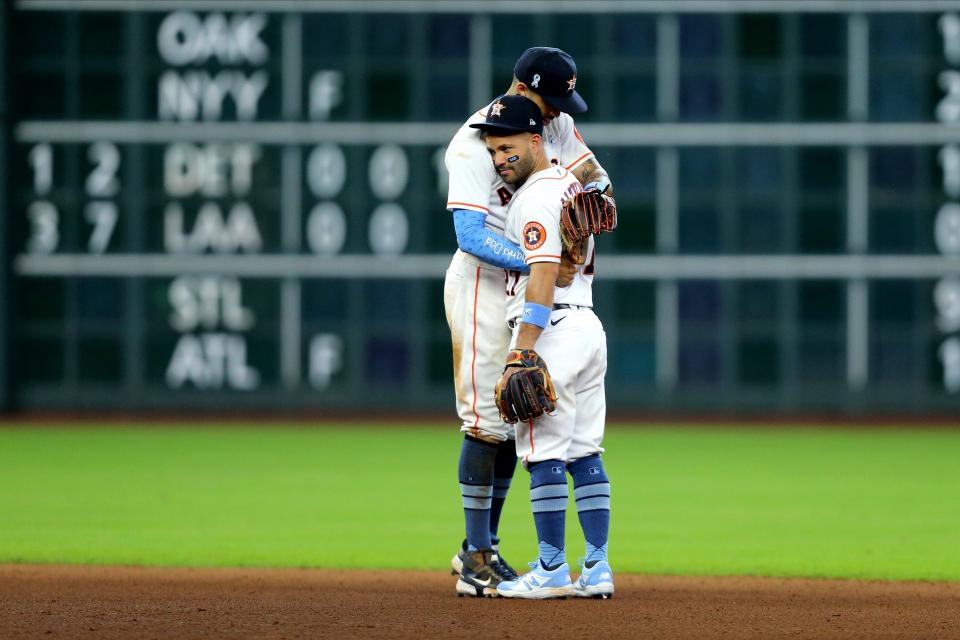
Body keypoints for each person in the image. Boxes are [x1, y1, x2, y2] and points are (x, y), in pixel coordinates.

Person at [444, 47, 615, 598]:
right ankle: (476, 554)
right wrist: (542, 258)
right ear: (523, 90)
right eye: (551, 99)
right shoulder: (474, 143)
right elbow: (470, 237)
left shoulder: (552, 125)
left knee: (519, 415)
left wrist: (592, 205)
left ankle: (492, 544)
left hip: (539, 285)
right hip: (484, 283)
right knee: (488, 418)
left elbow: (597, 184)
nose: (559, 111)